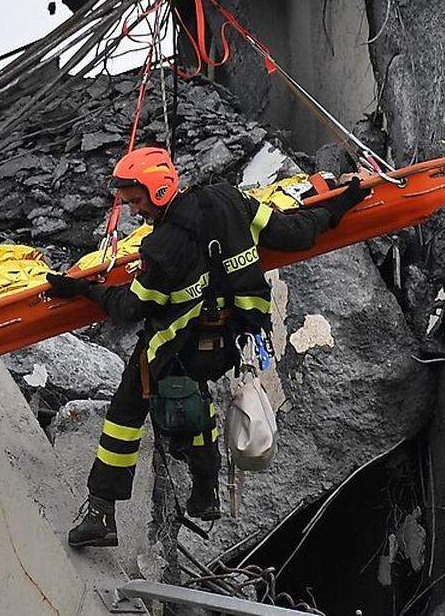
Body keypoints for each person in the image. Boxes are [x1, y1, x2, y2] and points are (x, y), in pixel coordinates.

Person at [45, 146, 368, 547]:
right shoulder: (229, 200)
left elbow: (130, 308)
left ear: (158, 191)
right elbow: (296, 234)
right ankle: (205, 493)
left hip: (178, 346)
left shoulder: (162, 249)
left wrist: (83, 290)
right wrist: (346, 202)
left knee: (125, 414)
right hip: (232, 341)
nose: (133, 212)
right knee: (193, 394)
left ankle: (101, 512)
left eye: (135, 201)